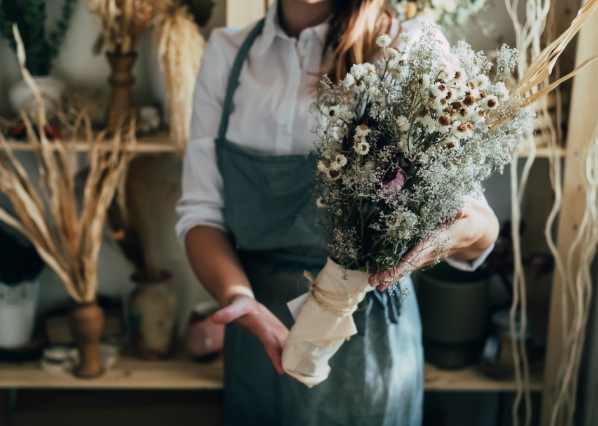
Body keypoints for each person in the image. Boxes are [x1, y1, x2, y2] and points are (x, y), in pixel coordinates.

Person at [176, 0, 500, 424]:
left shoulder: (412, 46)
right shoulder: (226, 52)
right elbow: (202, 215)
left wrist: (446, 237)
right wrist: (238, 300)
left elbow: (479, 222)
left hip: (371, 341)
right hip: (259, 331)